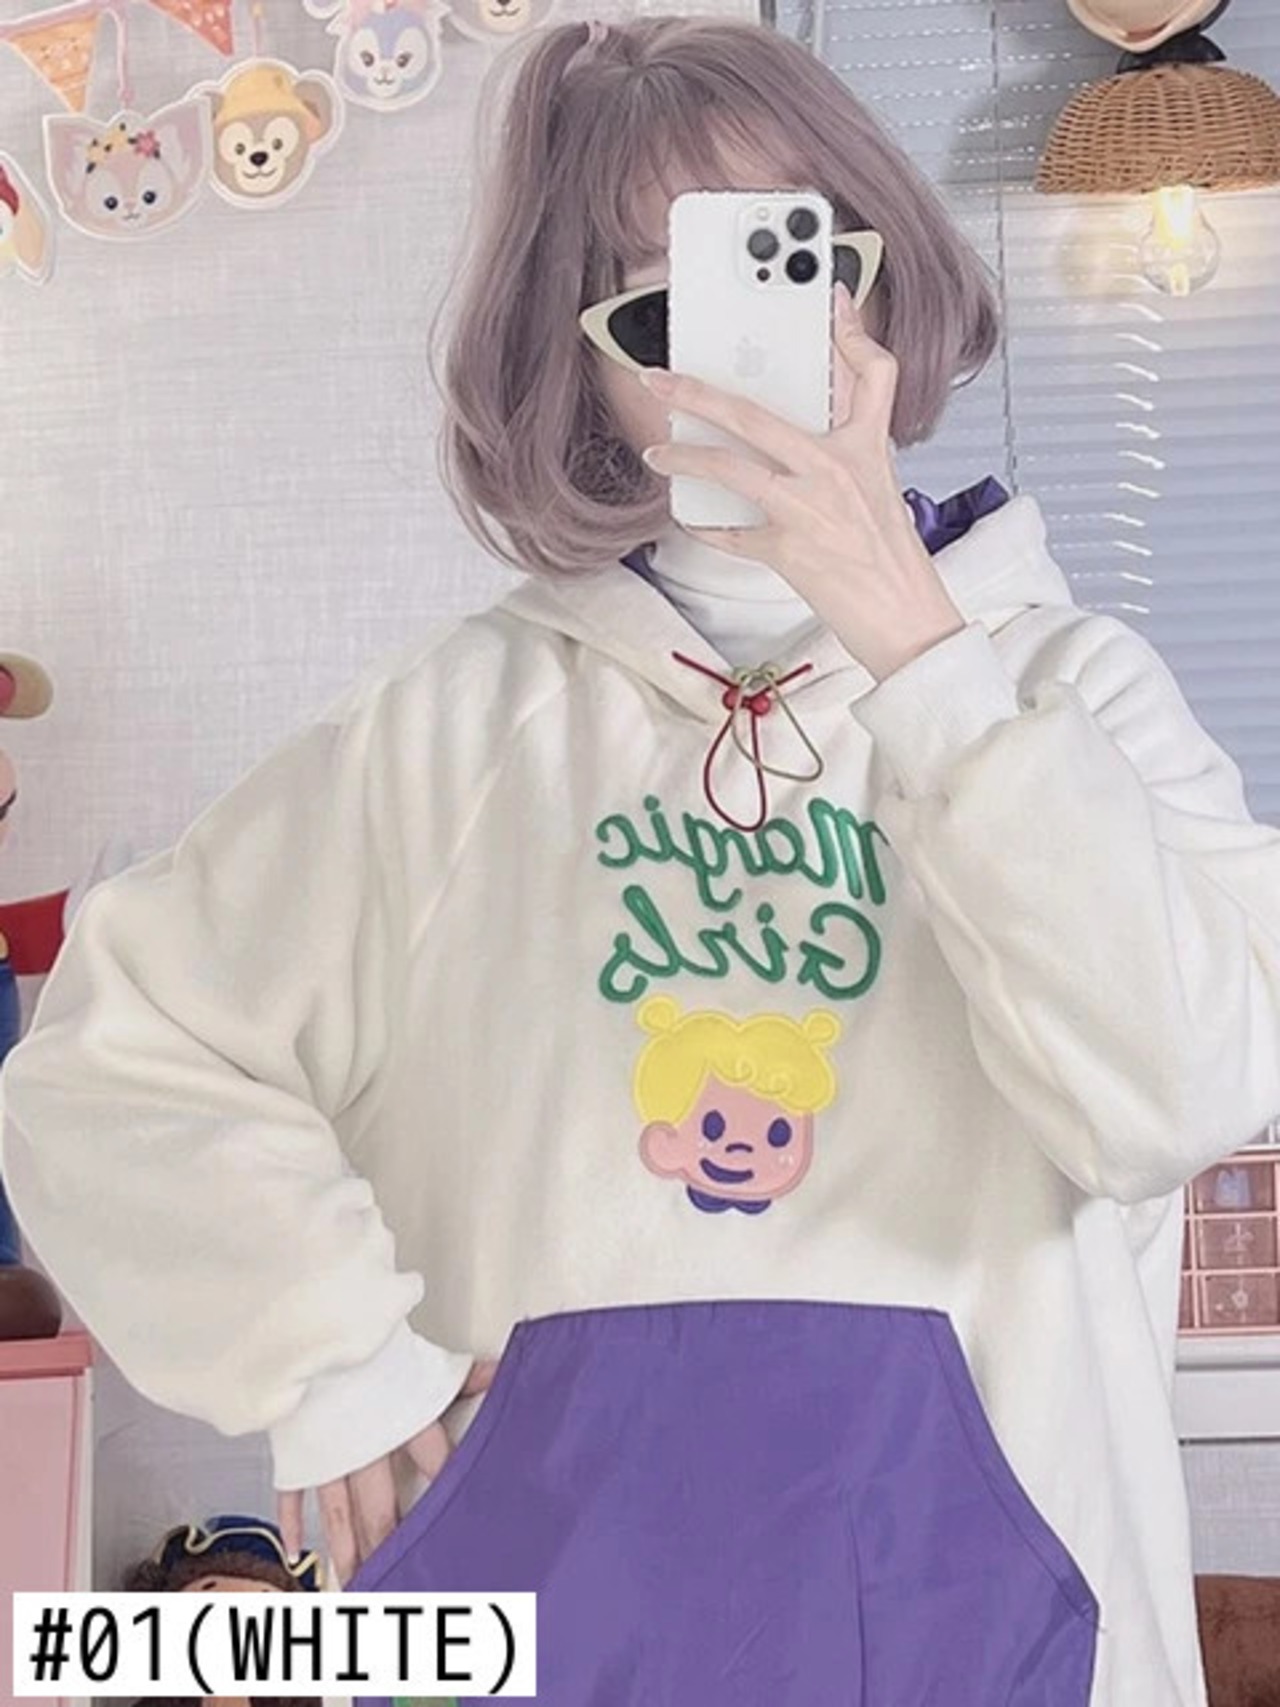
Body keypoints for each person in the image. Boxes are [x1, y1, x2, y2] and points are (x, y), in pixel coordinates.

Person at [3, 16, 1279, 1705]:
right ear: (583, 371)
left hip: (998, 1639)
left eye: (804, 262)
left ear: (887, 292)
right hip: (549, 1629)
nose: (753, 352)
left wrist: (918, 646)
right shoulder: (447, 737)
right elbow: (114, 1057)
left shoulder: (1078, 693)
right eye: (666, 312)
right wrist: (331, 1362)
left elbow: (1176, 1098)